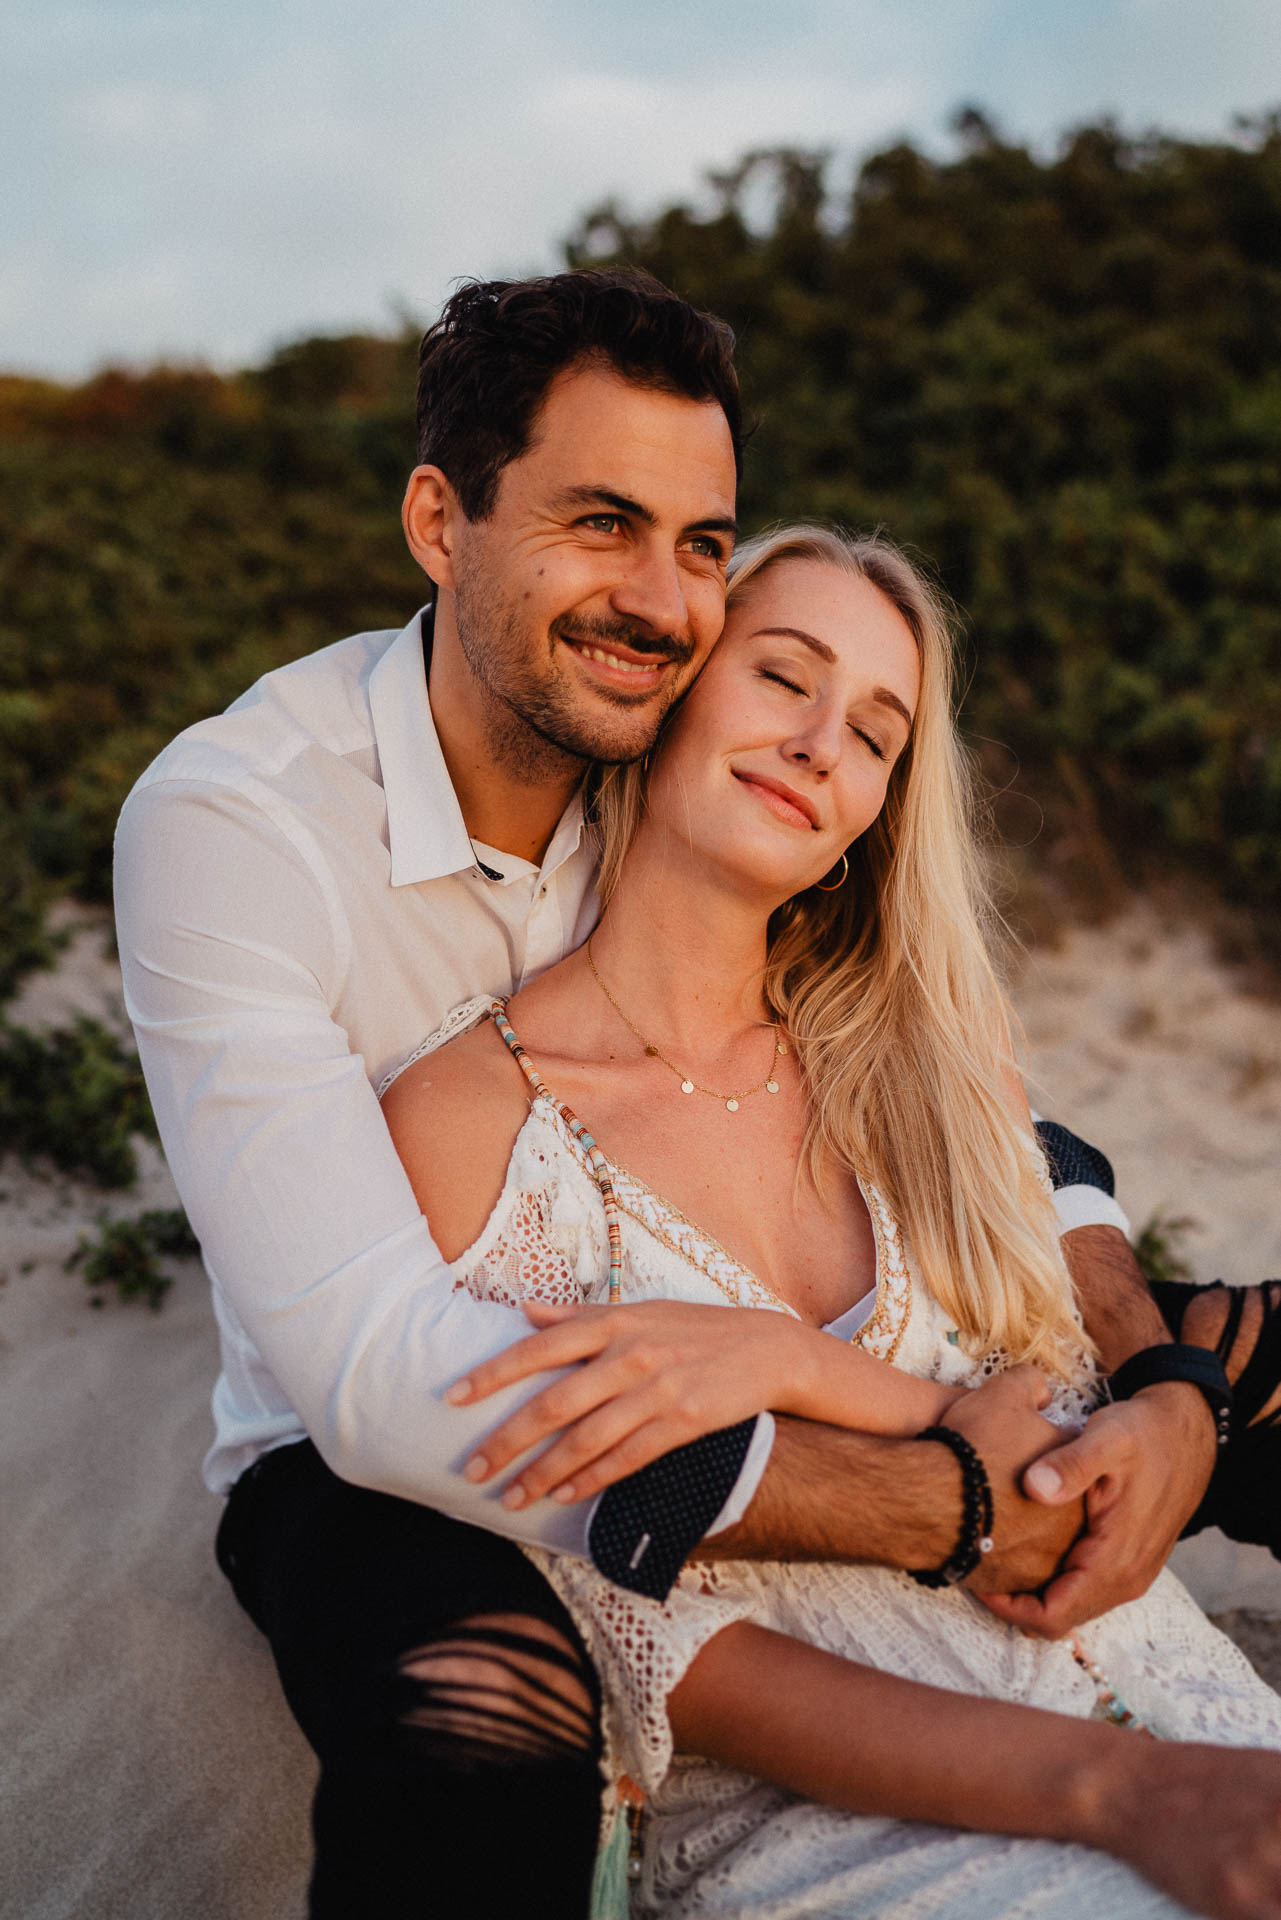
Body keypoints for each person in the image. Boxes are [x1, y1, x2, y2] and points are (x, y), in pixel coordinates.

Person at [112, 268, 1280, 1919]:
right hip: (366, 1418)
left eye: (703, 545)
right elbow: (381, 1377)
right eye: (601, 522)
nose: (662, 604)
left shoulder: (657, 735)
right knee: (480, 1715)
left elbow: (1005, 1135)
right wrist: (937, 1469)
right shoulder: (244, 825)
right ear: (439, 521)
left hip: (775, 1334)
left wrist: (1158, 1389)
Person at [381, 523, 1281, 1918]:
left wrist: (1166, 1405)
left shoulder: (928, 1057)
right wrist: (1133, 1797)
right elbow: (643, 1637)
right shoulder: (473, 1122)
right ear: (667, 686)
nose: (817, 746)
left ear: (880, 805)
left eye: (873, 733)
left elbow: (1049, 1412)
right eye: (780, 677)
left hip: (1223, 1740)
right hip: (857, 1845)